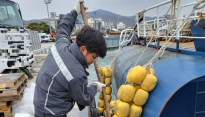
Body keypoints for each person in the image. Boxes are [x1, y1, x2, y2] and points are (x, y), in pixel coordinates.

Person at [33, 0, 107, 117]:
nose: (93, 62)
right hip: (51, 112)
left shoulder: (61, 44)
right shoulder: (76, 73)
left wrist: (74, 12)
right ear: (83, 49)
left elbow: (63, 26)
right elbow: (84, 99)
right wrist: (95, 87)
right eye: (93, 57)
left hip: (42, 101)